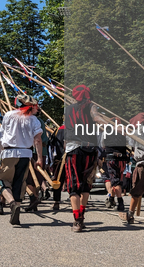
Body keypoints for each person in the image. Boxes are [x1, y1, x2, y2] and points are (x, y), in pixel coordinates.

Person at [64, 85, 106, 232]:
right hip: (89, 149)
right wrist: (107, 125)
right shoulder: (91, 107)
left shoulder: (68, 109)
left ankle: (77, 220)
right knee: (85, 184)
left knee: (74, 185)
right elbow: (96, 117)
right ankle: (80, 216)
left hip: (73, 149)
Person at [0, 95, 43, 226]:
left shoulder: (8, 115)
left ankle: (12, 203)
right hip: (25, 153)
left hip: (9, 152)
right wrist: (39, 158)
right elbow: (38, 140)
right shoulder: (34, 120)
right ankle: (16, 209)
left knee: (1, 180)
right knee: (19, 182)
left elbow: (2, 134)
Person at [119, 113, 144, 224]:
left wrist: (127, 133)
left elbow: (131, 142)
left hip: (143, 163)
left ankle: (130, 215)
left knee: (136, 190)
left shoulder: (137, 131)